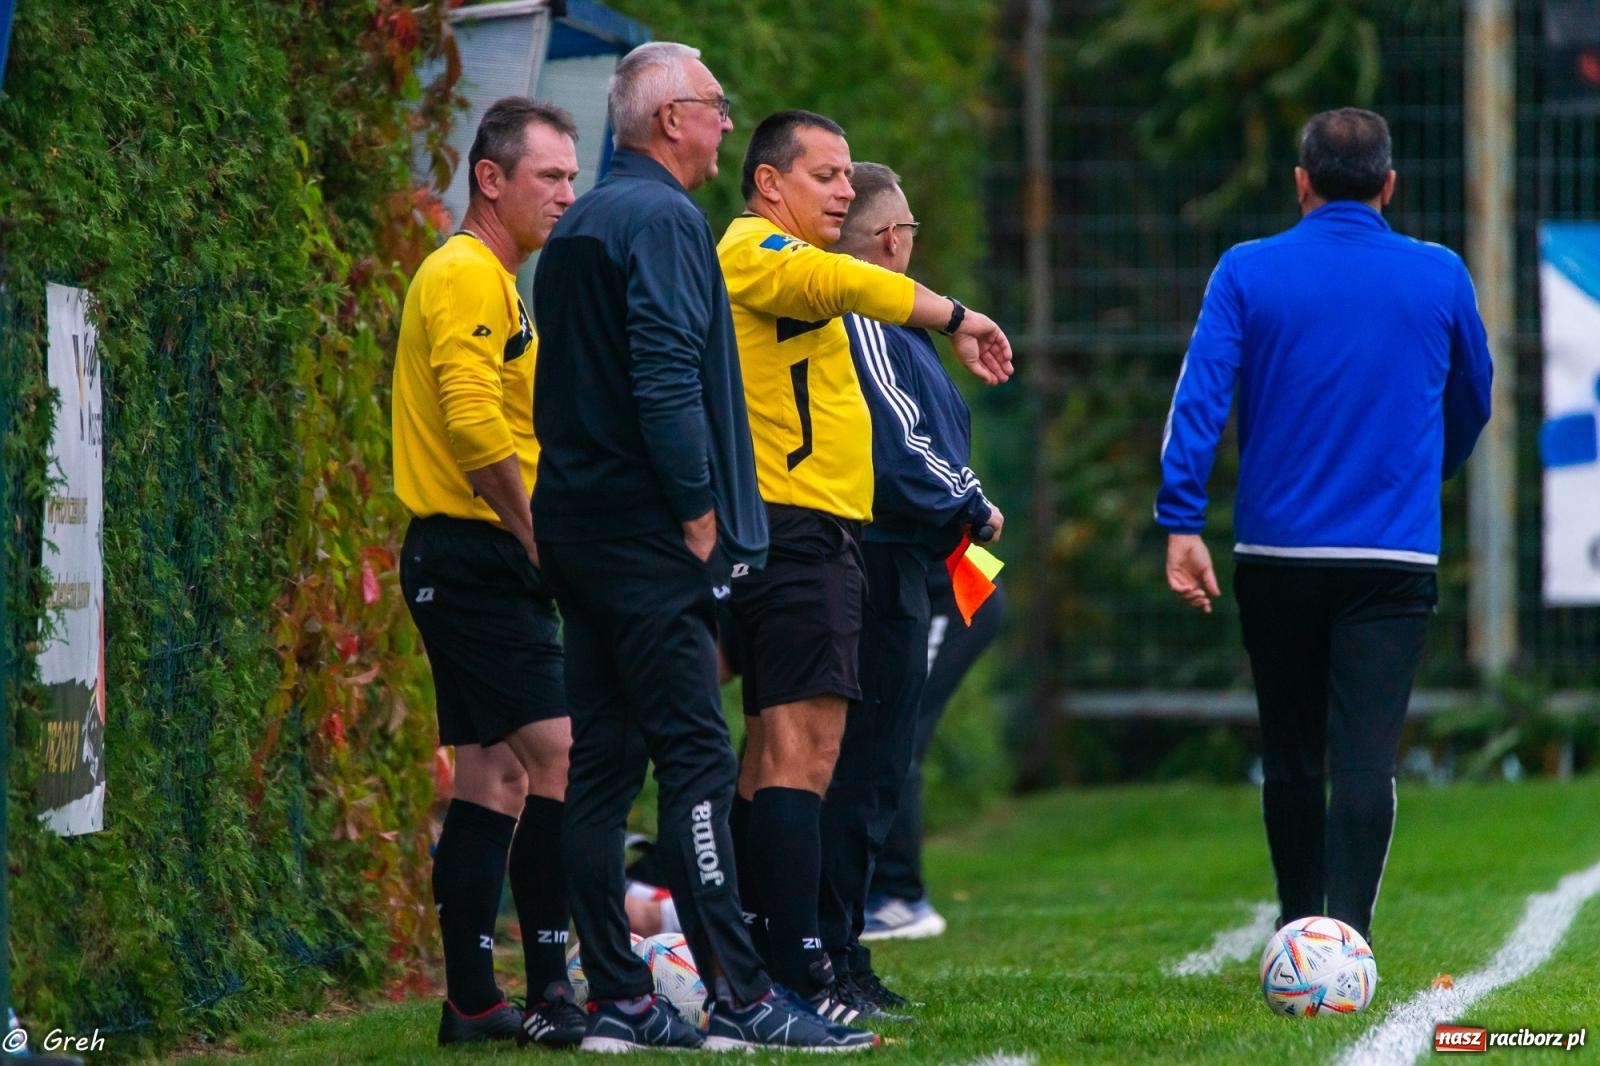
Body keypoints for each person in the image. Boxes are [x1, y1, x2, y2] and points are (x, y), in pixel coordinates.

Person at [531, 43, 876, 1053]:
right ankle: (740, 992)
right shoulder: (668, 220)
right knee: (695, 756)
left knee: (599, 766)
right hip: (646, 536)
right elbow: (664, 367)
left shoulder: (585, 216)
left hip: (575, 528)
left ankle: (616, 999)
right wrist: (696, 510)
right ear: (671, 119)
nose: (729, 125)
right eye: (716, 108)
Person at [1156, 107, 1493, 943]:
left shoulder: (1246, 269)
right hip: (1393, 551)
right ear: (1389, 186)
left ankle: (1298, 925)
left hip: (1277, 553)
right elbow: (1475, 399)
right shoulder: (1442, 273)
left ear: (1300, 183)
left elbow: (1198, 400)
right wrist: (1423, 469)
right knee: (1367, 756)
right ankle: (1348, 937)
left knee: (1294, 751)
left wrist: (1181, 519)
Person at [717, 110, 1013, 1022]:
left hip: (838, 544)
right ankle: (807, 956)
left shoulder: (833, 293)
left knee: (827, 759)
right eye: (827, 176)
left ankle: (812, 953)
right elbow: (899, 444)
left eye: (849, 179)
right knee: (830, 763)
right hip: (832, 548)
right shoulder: (803, 275)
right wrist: (971, 505)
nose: (841, 194)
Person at [392, 97, 586, 1047]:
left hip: (462, 554)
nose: (566, 193)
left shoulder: (495, 279)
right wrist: (536, 537)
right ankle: (555, 989)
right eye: (548, 175)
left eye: (571, 175)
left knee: (493, 778)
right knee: (562, 755)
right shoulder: (468, 273)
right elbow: (473, 425)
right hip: (474, 555)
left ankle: (472, 1001)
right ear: (491, 179)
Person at [816, 162, 1003, 1002]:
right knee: (875, 755)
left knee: (884, 751)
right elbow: (902, 451)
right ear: (893, 241)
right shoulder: (862, 320)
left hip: (943, 573)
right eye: (912, 232)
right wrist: (974, 505)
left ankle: (846, 937)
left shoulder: (897, 324)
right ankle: (868, 916)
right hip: (895, 565)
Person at [863, 568, 1007, 941]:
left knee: (895, 738)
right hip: (914, 593)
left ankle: (900, 897)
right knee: (870, 735)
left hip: (957, 593)